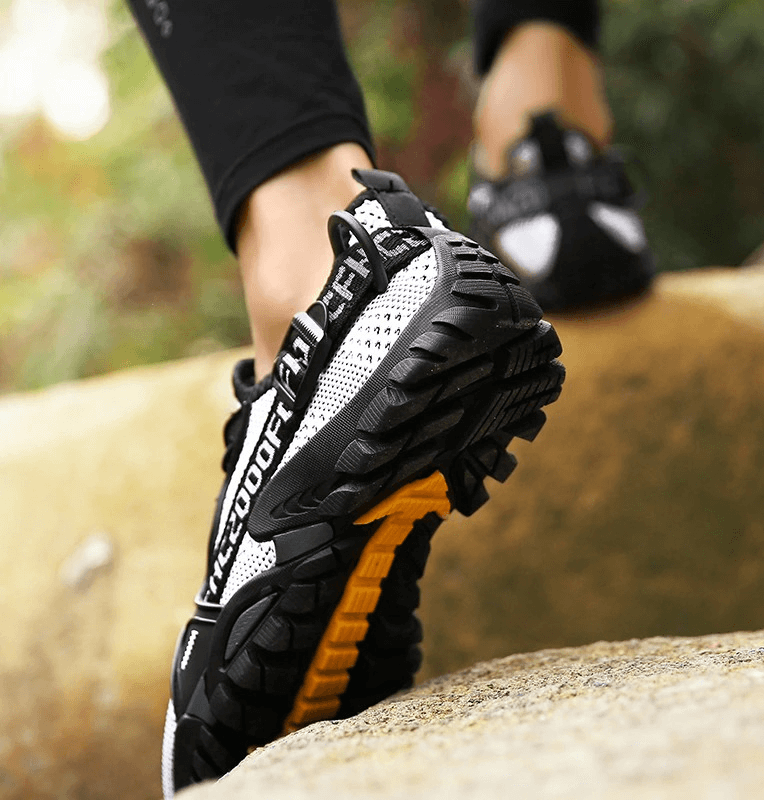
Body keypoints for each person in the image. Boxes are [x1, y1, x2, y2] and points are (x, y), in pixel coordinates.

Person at [124, 1, 650, 796]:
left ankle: (314, 268)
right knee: (540, 79)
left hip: (338, 308)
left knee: (307, 230)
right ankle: (544, 124)